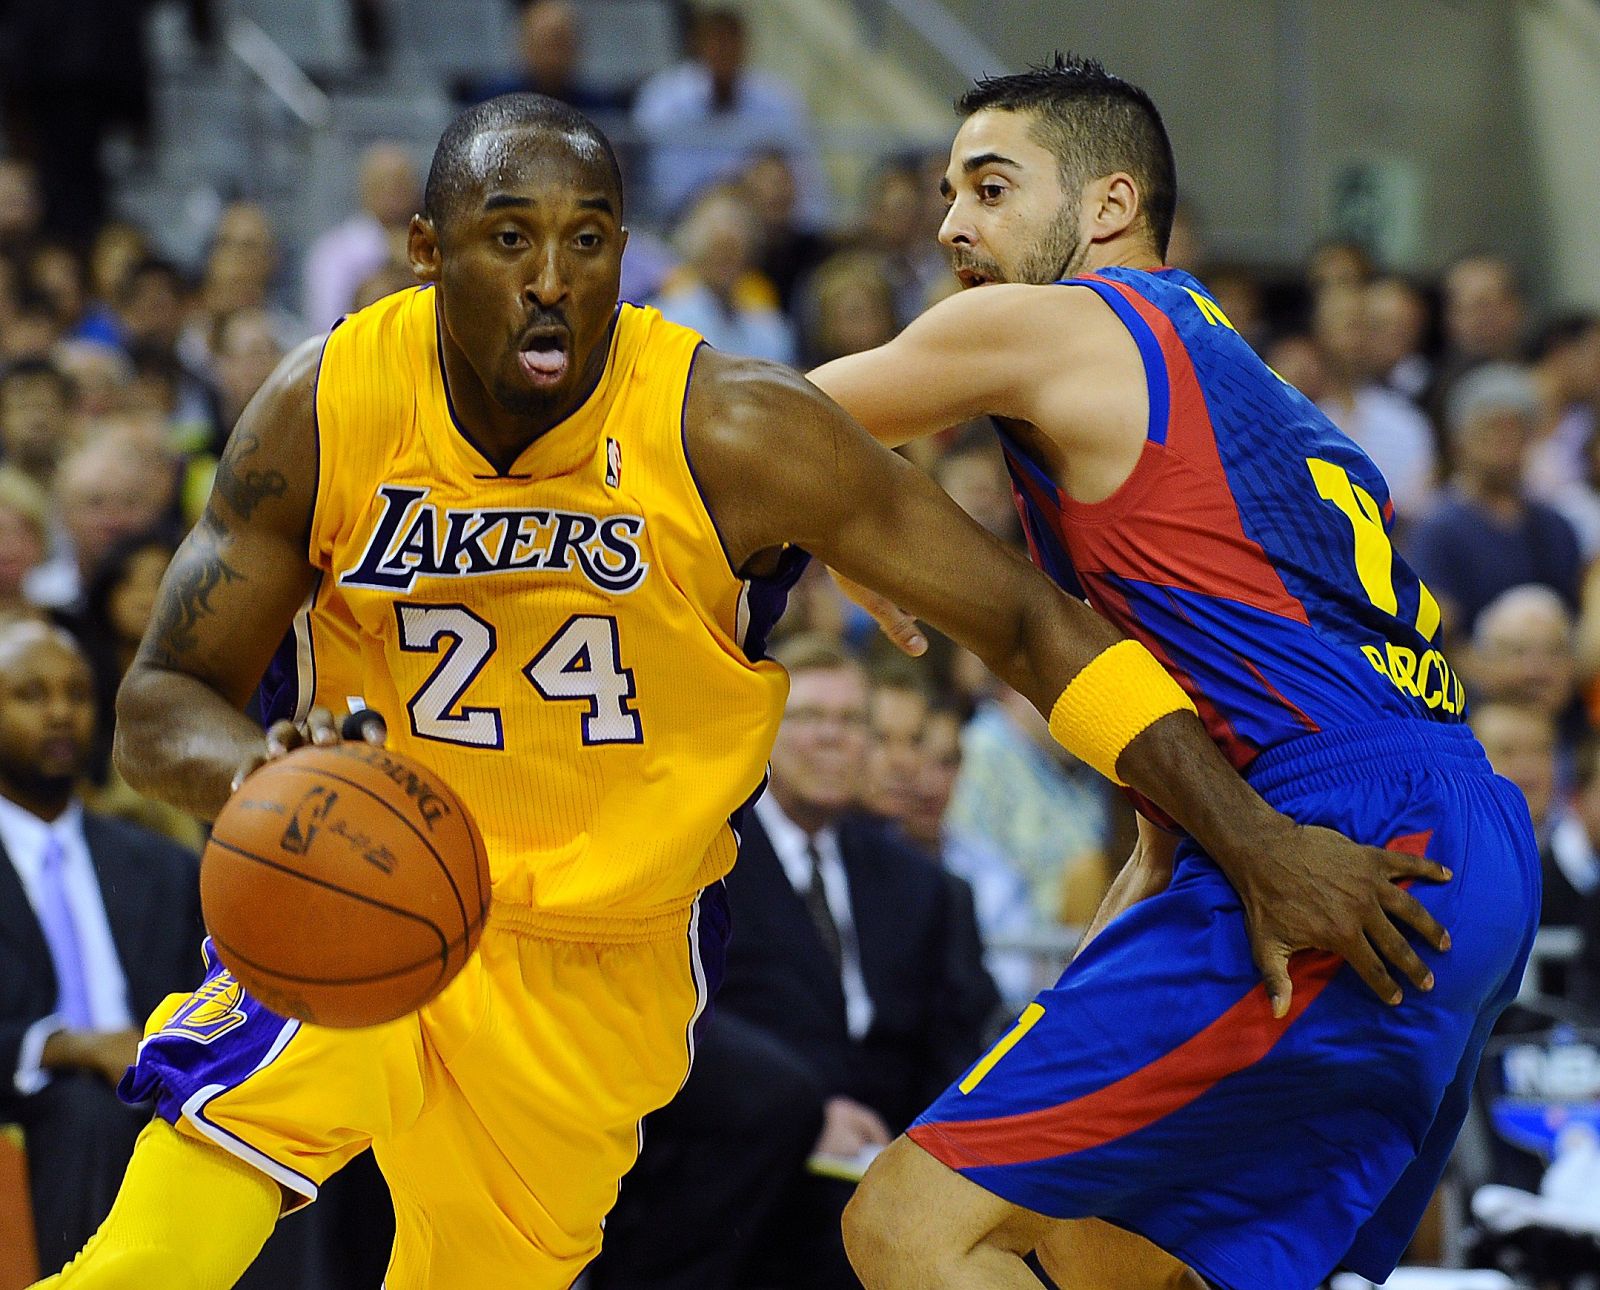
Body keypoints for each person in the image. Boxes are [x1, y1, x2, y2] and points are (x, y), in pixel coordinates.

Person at [37, 94, 1448, 1289]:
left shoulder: (730, 426)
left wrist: (1251, 837)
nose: (550, 280)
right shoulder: (327, 400)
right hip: (369, 870)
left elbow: (1028, 620)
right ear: (426, 252)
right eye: (507, 240)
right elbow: (161, 696)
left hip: (605, 953)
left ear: (624, 258)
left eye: (587, 244)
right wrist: (262, 773)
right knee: (203, 1168)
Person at [806, 54, 1539, 1290]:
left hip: (1342, 826)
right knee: (1108, 1256)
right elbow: (1169, 830)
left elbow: (752, 427)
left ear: (1107, 206)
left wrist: (846, 521)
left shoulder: (1057, 321)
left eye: (990, 188)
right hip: (1452, 836)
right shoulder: (1249, 390)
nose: (949, 226)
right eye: (944, 195)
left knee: (905, 1229)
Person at [0, 622, 202, 1273]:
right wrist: (71, 1046)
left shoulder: (162, 864)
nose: (61, 712)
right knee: (87, 1111)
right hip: (35, 1100)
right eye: (31, 695)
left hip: (155, 1080)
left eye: (78, 694)